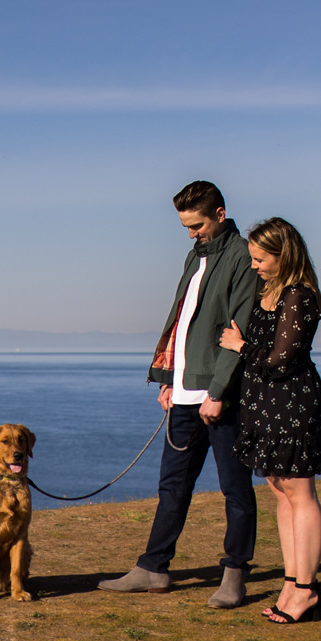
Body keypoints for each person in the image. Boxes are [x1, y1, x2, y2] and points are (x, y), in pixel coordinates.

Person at [99, 180, 260, 607]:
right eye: (186, 226)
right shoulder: (194, 256)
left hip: (221, 397)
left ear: (220, 215)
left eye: (198, 224)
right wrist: (169, 378)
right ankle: (153, 568)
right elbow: (182, 322)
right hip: (185, 396)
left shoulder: (243, 256)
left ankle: (234, 575)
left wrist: (220, 392)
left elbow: (237, 330)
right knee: (172, 487)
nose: (192, 233)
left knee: (235, 489)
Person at [218, 217, 321, 624]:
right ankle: (291, 582)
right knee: (280, 490)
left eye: (260, 258)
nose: (254, 265)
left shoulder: (298, 296)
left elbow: (280, 360)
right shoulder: (268, 293)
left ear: (282, 254)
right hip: (264, 405)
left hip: (291, 404)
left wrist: (240, 345)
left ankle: (306, 589)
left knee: (301, 493)